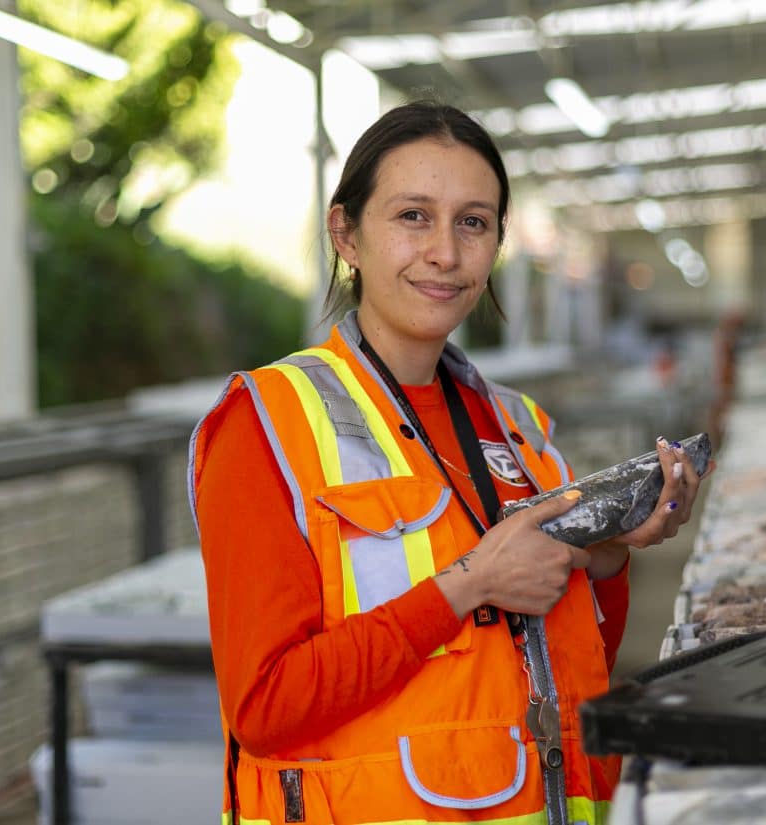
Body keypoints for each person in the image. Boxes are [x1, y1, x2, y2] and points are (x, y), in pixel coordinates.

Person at [188, 100, 712, 825]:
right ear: (346, 232)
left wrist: (612, 553)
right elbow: (266, 705)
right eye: (412, 216)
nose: (445, 252)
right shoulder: (266, 425)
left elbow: (565, 661)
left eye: (473, 221)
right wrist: (467, 586)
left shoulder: (520, 429)